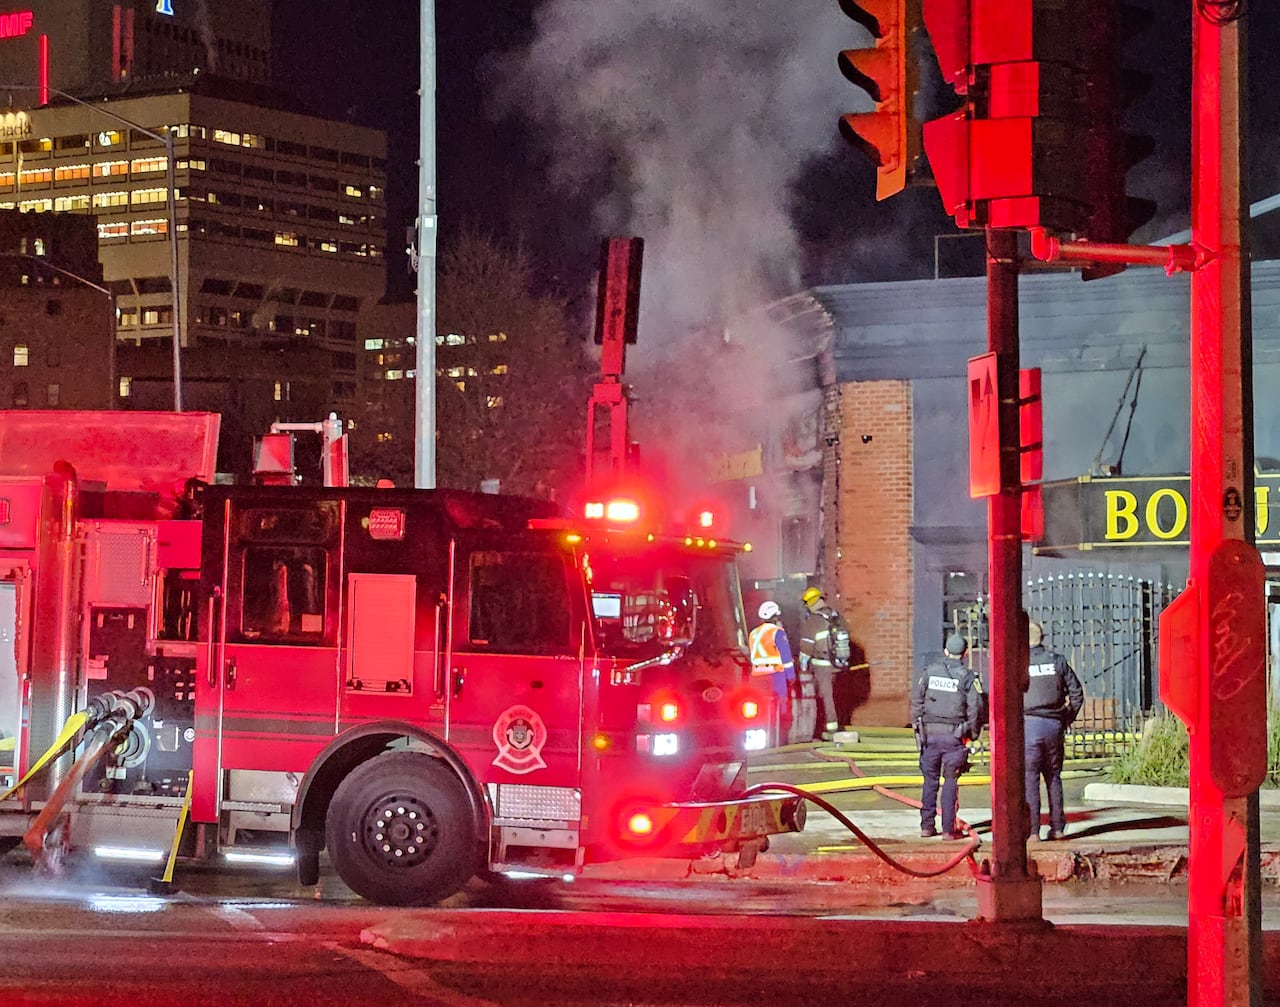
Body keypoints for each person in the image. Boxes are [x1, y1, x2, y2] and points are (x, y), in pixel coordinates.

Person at [909, 633, 983, 839]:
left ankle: (926, 826)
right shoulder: (968, 677)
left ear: (945, 651)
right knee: (950, 781)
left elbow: (917, 701)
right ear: (965, 654)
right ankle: (948, 830)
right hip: (954, 737)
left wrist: (917, 726)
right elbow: (975, 709)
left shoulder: (929, 672)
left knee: (929, 781)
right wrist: (973, 734)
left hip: (929, 735)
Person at [1024, 620, 1084, 841]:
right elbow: (1077, 693)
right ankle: (1058, 827)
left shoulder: (1019, 662)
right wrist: (1066, 717)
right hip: (1053, 725)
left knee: (1030, 778)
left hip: (1028, 725)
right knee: (1053, 777)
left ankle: (1032, 832)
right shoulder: (1057, 661)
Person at [799, 587, 853, 740]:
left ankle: (831, 728)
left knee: (825, 697)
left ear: (810, 603)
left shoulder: (813, 621)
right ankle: (837, 723)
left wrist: (802, 670)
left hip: (822, 666)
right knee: (835, 696)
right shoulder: (836, 617)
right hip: (838, 664)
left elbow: (805, 650)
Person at [748, 601, 797, 745]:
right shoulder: (777, 632)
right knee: (781, 707)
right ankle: (779, 739)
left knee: (759, 708)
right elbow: (786, 657)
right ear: (775, 616)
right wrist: (791, 676)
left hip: (756, 675)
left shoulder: (753, 633)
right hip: (776, 675)